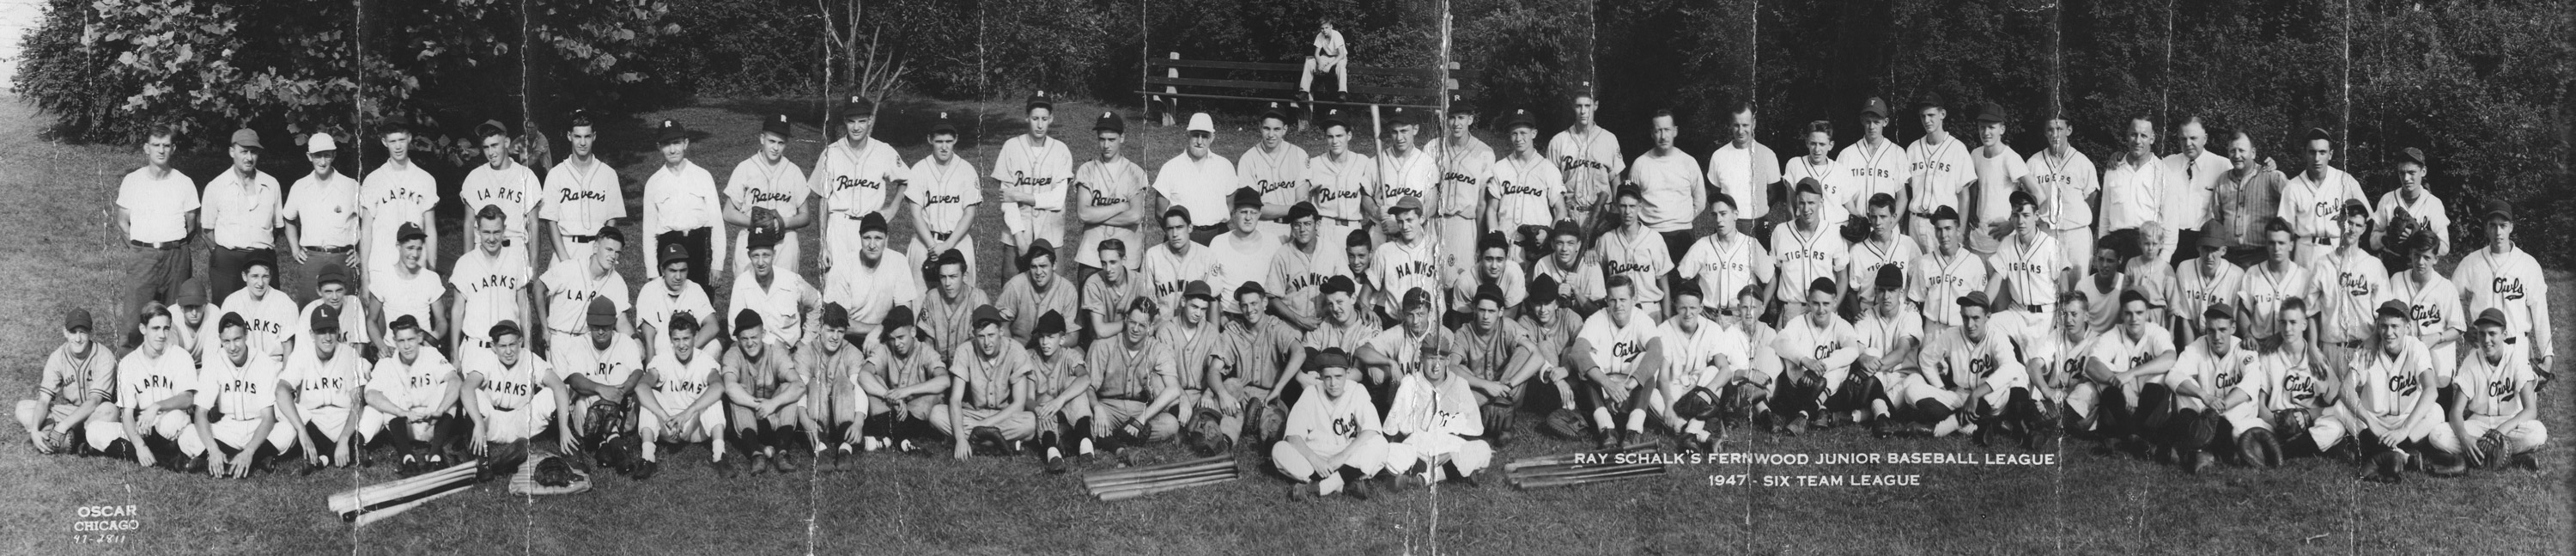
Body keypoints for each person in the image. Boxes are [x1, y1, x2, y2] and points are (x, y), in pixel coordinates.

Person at [2315, 302, 2447, 482]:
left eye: (2395, 326)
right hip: (2374, 422)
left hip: (2405, 421)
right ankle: (2403, 456)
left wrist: (2405, 429)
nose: (2388, 332)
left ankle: (2382, 451)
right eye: (2384, 326)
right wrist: (2371, 422)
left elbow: (2431, 390)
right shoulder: (2368, 351)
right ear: (2378, 328)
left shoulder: (2416, 348)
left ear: (2407, 328)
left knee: (2436, 411)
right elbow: (2345, 390)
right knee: (2340, 407)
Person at [2449, 201, 2554, 379]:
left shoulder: (2528, 264)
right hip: (2482, 347)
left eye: (2503, 226)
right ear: (2486, 228)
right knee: (2479, 404)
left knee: (2520, 405)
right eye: (2493, 226)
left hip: (2517, 347)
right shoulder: (2471, 262)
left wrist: (2547, 356)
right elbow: (2449, 297)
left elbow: (2540, 313)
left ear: (2511, 227)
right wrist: (2463, 329)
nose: (2498, 232)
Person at [118, 125, 201, 347]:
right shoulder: (132, 181)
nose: (161, 150)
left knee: (175, 314)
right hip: (142, 257)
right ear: (147, 148)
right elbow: (122, 223)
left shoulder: (184, 182)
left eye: (166, 145)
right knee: (136, 317)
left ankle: (174, 370)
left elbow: (191, 225)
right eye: (156, 145)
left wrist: (173, 246)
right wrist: (141, 249)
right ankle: (129, 372)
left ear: (173, 148)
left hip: (176, 257)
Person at [1274, 349, 1394, 500]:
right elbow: (1292, 435)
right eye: (1328, 377)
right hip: (1317, 455)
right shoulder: (1311, 392)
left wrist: (1342, 457)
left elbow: (1372, 430)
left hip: (1348, 456)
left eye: (1338, 377)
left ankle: (1319, 487)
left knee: (1380, 444)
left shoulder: (1357, 390)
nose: (1333, 383)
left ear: (1347, 373)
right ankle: (1345, 484)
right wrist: (1315, 460)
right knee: (1280, 450)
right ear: (1320, 376)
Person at [2155, 305, 2262, 473]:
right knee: (2184, 389)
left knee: (2243, 407)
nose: (2216, 337)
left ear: (2233, 328)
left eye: (2222, 330)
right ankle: (2211, 448)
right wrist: (2203, 395)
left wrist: (2219, 408)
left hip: (2230, 413)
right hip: (2205, 412)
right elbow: (2173, 376)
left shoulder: (2243, 349)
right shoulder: (2198, 346)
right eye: (2211, 330)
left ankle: (2193, 447)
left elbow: (2252, 383)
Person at [187, 314, 294, 478]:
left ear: (246, 335)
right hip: (228, 427)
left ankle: (238, 460)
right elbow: (200, 413)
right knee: (188, 435)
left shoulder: (263, 361)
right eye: (226, 341)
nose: (232, 347)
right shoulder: (214, 363)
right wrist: (212, 448)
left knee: (288, 430)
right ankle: (258, 459)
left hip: (257, 426)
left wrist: (249, 450)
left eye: (237, 339)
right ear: (220, 340)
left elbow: (268, 418)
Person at [2439, 309, 2547, 471]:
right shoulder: (2471, 361)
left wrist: (2501, 431)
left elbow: (2530, 410)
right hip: (2479, 423)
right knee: (2438, 434)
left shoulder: (2517, 358)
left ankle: (2475, 457)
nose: (2486, 340)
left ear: (2504, 335)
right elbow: (2455, 412)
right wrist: (2464, 439)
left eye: (2492, 334)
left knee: (2537, 433)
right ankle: (2512, 457)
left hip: (2509, 422)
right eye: (2482, 334)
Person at [1382, 334, 1495, 487]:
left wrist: (1453, 454)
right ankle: (1451, 473)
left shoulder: (1459, 384)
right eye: (1431, 358)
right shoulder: (1409, 383)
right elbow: (1392, 429)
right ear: (1421, 358)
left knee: (1483, 449)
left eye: (1441, 359)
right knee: (1387, 452)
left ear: (1448, 360)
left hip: (1450, 447)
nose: (1436, 365)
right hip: (1417, 447)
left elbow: (1473, 431)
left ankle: (1422, 478)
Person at [1567, 276, 1667, 449]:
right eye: (1612, 300)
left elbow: (1656, 352)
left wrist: (1626, 389)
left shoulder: (1643, 320)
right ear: (1607, 300)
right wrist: (1607, 384)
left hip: (1635, 387)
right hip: (1603, 388)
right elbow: (1577, 353)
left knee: (1647, 361)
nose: (1618, 305)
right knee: (1588, 360)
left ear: (1634, 300)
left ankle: (1633, 429)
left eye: (1623, 299)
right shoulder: (1597, 319)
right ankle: (1606, 428)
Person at [2077, 290, 2178, 457]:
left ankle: (2126, 435)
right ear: (2122, 314)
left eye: (2139, 313)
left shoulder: (2157, 332)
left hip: (2150, 409)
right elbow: (2091, 365)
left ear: (2147, 313)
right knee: (2106, 375)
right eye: (2128, 313)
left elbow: (2170, 358)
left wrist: (2131, 374)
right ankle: (2136, 438)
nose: (2134, 318)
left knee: (2162, 374)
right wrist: (2121, 382)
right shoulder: (2113, 335)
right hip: (2121, 407)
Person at [815, 96, 908, 274]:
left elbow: (907, 180)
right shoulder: (831, 153)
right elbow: (823, 201)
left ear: (870, 120)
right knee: (836, 287)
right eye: (851, 122)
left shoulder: (883, 151)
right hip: (839, 228)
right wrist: (823, 245)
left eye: (862, 121)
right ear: (845, 121)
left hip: (871, 228)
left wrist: (893, 208)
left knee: (872, 286)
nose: (856, 127)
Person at [459, 321, 562, 480]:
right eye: (502, 346)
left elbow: (559, 386)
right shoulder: (486, 357)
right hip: (492, 421)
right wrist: (479, 423)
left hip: (522, 420)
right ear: (493, 347)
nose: (508, 351)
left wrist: (565, 428)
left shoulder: (529, 358)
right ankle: (483, 462)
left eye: (512, 344)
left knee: (552, 394)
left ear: (520, 342)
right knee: (474, 396)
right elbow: (466, 388)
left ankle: (568, 447)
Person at [1648, 284, 1745, 451]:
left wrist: (1706, 392)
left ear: (1701, 307)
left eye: (1693, 307)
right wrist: (1669, 405)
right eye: (1683, 307)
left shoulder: (1712, 329)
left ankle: (1688, 432)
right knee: (1649, 392)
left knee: (1714, 371)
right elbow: (1662, 377)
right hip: (1673, 390)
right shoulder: (1663, 329)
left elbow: (1725, 369)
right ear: (1675, 305)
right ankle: (1700, 435)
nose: (1688, 313)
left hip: (1699, 390)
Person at [362, 315, 463, 476]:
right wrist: (401, 412)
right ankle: (407, 459)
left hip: (433, 422)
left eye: (411, 339)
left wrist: (440, 410)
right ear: (394, 341)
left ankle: (435, 455)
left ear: (420, 337)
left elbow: (455, 381)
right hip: (403, 425)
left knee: (447, 387)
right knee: (387, 394)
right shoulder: (387, 361)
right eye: (401, 341)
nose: (407, 346)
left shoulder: (431, 354)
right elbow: (370, 395)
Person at [936, 305, 1038, 461]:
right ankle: (998, 443)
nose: (987, 342)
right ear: (974, 334)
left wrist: (982, 427)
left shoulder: (1016, 351)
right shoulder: (965, 351)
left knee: (1030, 422)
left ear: (1001, 332)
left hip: (1004, 415)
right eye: (981, 336)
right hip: (974, 413)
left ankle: (974, 441)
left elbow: (1018, 404)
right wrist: (961, 438)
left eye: (991, 335)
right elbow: (955, 399)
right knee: (936, 414)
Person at [19, 309, 124, 456]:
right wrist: (34, 431)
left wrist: (63, 426)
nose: (78, 338)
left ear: (90, 333)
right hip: (70, 411)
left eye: (83, 332)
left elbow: (95, 401)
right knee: (22, 407)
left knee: (110, 410)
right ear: (65, 332)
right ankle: (52, 434)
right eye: (73, 332)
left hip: (95, 414)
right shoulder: (57, 357)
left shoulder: (104, 356)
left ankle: (70, 437)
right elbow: (44, 400)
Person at [552, 296, 645, 461]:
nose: (601, 332)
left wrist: (620, 392)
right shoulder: (579, 344)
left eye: (605, 327)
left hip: (622, 412)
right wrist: (603, 390)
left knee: (621, 371)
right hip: (588, 422)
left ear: (613, 324)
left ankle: (603, 442)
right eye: (596, 327)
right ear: (589, 325)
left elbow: (638, 373)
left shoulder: (624, 342)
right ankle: (613, 439)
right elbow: (575, 379)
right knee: (584, 393)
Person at [1269, 276, 1381, 410]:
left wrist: (1322, 383)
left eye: (1340, 302)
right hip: (1325, 389)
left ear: (1352, 299)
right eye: (1330, 303)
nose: (1335, 308)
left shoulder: (1368, 326)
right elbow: (1306, 357)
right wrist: (1303, 377)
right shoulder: (1324, 324)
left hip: (1354, 391)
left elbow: (1358, 373)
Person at [723, 114, 814, 277]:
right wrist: (756, 222)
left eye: (781, 143)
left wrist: (782, 222)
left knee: (785, 296)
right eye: (772, 141)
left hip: (785, 242)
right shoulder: (745, 168)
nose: (775, 148)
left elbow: (806, 216)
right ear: (762, 138)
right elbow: (728, 212)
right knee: (749, 296)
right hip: (751, 242)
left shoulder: (794, 172)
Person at [1771, 278, 1864, 435]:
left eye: (1826, 304)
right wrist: (1805, 360)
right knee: (1789, 354)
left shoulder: (1841, 325)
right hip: (1801, 387)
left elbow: (1853, 350)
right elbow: (1779, 341)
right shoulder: (1799, 322)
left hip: (1830, 389)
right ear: (1808, 302)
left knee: (1841, 363)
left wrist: (1821, 366)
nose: (1821, 309)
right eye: (1816, 303)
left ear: (1835, 302)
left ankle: (1803, 415)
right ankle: (1821, 411)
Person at [280, 304, 366, 472]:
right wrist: (302, 431)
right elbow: (281, 390)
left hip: (344, 418)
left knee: (373, 414)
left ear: (339, 331)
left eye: (332, 330)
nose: (327, 337)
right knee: (280, 406)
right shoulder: (301, 355)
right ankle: (354, 450)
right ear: (312, 334)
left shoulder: (349, 354)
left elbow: (357, 402)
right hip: (313, 420)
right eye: (321, 331)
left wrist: (343, 439)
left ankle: (324, 457)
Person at [1453, 283, 1542, 444]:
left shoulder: (1508, 326)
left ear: (1501, 312)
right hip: (1481, 391)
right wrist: (1487, 385)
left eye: (1492, 311)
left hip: (1509, 391)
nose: (1486, 317)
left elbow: (1538, 357)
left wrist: (1507, 385)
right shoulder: (1464, 332)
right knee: (1459, 370)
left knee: (1526, 351)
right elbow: (1451, 367)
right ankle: (1502, 420)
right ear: (1474, 309)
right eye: (1482, 310)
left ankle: (1495, 410)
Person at [1086, 299, 1182, 450]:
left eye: (1142, 325)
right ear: (1125, 320)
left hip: (1141, 409)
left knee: (1170, 425)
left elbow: (1174, 389)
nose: (1135, 329)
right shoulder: (1103, 345)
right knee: (1087, 424)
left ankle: (1112, 437)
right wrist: (1097, 408)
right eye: (1132, 322)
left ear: (1150, 327)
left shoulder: (1157, 349)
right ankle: (1121, 441)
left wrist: (1142, 419)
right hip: (1109, 407)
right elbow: (1088, 386)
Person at [638, 312, 726, 475]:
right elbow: (641, 387)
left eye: (686, 338)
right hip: (670, 424)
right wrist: (664, 416)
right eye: (676, 339)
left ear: (695, 337)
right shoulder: (664, 358)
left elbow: (719, 387)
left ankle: (720, 456)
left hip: (694, 426)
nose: (682, 345)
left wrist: (687, 413)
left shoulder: (704, 360)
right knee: (650, 397)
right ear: (670, 339)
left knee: (713, 397)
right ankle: (648, 458)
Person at [721, 309, 808, 475]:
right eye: (744, 339)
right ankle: (756, 454)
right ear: (738, 340)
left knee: (788, 389)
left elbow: (799, 385)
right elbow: (730, 387)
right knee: (738, 393)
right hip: (747, 421)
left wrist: (773, 404)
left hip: (773, 420)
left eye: (754, 337)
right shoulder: (733, 354)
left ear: (763, 333)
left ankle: (782, 453)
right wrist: (760, 405)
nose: (750, 343)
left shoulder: (775, 351)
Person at [202, 128, 283, 302]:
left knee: (268, 311)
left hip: (263, 259)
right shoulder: (216, 186)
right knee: (227, 314)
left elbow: (276, 227)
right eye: (243, 151)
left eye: (253, 152)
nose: (249, 157)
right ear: (232, 152)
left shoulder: (271, 184)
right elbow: (207, 230)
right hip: (228, 262)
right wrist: (225, 251)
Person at [993, 93, 1073, 269]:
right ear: (1026, 117)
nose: (1039, 124)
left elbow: (1057, 200)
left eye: (1044, 118)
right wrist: (1019, 239)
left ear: (1051, 118)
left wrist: (1019, 195)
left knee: (1053, 294)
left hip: (1051, 236)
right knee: (1013, 293)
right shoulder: (1011, 147)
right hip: (1015, 238)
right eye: (1035, 118)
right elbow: (1007, 200)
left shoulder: (1061, 150)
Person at [643, 119, 727, 286]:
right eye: (667, 144)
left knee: (702, 303)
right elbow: (649, 233)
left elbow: (717, 223)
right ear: (659, 147)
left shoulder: (703, 176)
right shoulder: (654, 183)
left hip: (699, 247)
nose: (673, 149)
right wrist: (652, 272)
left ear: (686, 143)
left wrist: (717, 264)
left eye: (677, 143)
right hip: (668, 248)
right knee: (670, 305)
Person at [2311, 201, 2392, 373]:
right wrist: (2312, 346)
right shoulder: (2322, 264)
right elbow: (2311, 312)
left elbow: (2384, 312)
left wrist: (2374, 339)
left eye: (2358, 225)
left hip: (2364, 349)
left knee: (2364, 399)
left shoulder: (2374, 265)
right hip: (2330, 349)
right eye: (2349, 222)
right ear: (2340, 222)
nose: (2352, 229)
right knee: (2330, 399)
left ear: (2364, 229)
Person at [448, 207, 535, 364]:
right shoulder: (465, 263)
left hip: (508, 351)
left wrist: (528, 346)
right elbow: (458, 311)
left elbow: (523, 305)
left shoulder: (516, 259)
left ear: (504, 231)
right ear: (478, 231)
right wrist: (454, 354)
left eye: (497, 232)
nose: (492, 238)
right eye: (486, 232)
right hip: (476, 349)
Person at [540, 110, 627, 267]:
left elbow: (612, 219)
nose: (582, 143)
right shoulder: (556, 174)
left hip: (597, 248)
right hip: (566, 247)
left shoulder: (608, 174)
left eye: (587, 136)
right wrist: (565, 260)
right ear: (569, 136)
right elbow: (550, 221)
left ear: (594, 136)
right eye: (577, 136)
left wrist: (603, 251)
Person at [283, 132, 363, 299]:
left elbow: (369, 221)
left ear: (334, 155)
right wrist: (295, 249)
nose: (322, 161)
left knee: (345, 310)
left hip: (343, 258)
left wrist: (360, 252)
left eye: (327, 155)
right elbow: (288, 218)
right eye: (317, 156)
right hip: (312, 259)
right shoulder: (300, 186)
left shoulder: (350, 185)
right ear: (309, 157)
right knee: (309, 310)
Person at [1354, 288, 1458, 416]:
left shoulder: (1444, 334)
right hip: (1404, 399)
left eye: (1420, 314)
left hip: (1434, 398)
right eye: (1410, 315)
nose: (1415, 321)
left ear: (1430, 312)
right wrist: (1391, 363)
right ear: (1403, 314)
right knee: (1375, 371)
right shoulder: (1398, 332)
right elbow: (1361, 351)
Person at [860, 307, 951, 453]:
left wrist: (905, 391)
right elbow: (863, 375)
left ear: (913, 332)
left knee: (933, 394)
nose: (896, 344)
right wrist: (889, 396)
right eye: (892, 338)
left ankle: (889, 439)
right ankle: (901, 441)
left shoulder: (925, 351)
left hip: (915, 414)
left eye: (901, 337)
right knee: (873, 380)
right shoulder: (884, 349)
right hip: (891, 410)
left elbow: (945, 380)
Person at [361, 119, 440, 288]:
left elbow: (430, 229)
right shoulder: (373, 180)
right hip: (381, 265)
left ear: (409, 138)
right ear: (384, 142)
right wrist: (365, 274)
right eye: (392, 141)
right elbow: (366, 230)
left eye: (401, 140)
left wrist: (432, 269)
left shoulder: (425, 179)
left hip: (416, 265)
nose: (398, 147)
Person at [1159, 282, 1237, 450]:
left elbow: (1215, 370)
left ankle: (1196, 428)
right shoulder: (1166, 330)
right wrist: (1182, 399)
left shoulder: (1211, 331)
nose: (1198, 314)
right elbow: (1167, 375)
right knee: (1156, 383)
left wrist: (1209, 394)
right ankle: (1196, 428)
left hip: (1201, 396)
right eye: (1194, 307)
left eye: (1203, 309)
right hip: (1174, 395)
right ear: (1183, 303)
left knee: (1232, 387)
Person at [534, 226, 633, 357]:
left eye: (617, 252)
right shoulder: (570, 268)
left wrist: (635, 340)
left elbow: (622, 321)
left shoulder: (617, 282)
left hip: (586, 344)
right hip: (558, 339)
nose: (613, 256)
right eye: (609, 249)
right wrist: (544, 328)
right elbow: (538, 288)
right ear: (596, 248)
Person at [1218, 283, 1303, 437]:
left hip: (1268, 396)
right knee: (1229, 426)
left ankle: (1266, 443)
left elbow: (1300, 353)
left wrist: (1278, 389)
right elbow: (1214, 369)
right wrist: (1222, 395)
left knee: (1272, 427)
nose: (1249, 310)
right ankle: (1227, 441)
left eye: (1253, 303)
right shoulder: (1234, 331)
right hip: (1242, 395)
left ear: (1264, 303)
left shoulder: (1275, 326)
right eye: (1244, 305)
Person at [1072, 110, 1148, 279]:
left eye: (1111, 139)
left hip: (1127, 258)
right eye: (1102, 139)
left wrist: (1097, 215)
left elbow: (1135, 216)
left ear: (1122, 138)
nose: (1106, 145)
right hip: (1092, 257)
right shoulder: (1087, 170)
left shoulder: (1135, 172)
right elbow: (1083, 214)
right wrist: (1120, 207)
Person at [2279, 128, 2370, 268]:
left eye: (2322, 152)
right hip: (2305, 252)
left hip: (2337, 248)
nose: (2317, 158)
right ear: (2305, 153)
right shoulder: (2293, 187)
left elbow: (2367, 217)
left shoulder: (2345, 180)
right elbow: (2284, 231)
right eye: (2312, 152)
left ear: (2330, 154)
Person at [819, 212, 920, 337]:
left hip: (885, 338)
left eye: (878, 238)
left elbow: (905, 317)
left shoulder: (899, 261)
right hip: (850, 339)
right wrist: (879, 329)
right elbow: (838, 323)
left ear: (887, 238)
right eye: (867, 238)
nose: (872, 245)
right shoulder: (843, 264)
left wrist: (879, 333)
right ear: (860, 237)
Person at [907, 115, 985, 276]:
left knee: (963, 296)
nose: (944, 147)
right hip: (924, 242)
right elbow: (915, 215)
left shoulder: (967, 170)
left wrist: (948, 245)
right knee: (919, 297)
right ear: (930, 140)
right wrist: (932, 247)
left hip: (958, 241)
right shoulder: (919, 169)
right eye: (939, 141)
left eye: (948, 141)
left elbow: (970, 214)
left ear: (955, 140)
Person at [1853, 266, 1926, 433]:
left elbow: (1900, 353)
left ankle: (1858, 416)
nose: (1886, 296)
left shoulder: (1910, 315)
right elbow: (1857, 349)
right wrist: (1863, 359)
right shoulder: (1867, 315)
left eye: (1892, 290)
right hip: (1877, 377)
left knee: (1915, 384)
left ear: (1901, 291)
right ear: (1875, 291)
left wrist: (1866, 367)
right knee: (1870, 353)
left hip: (1903, 377)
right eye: (1882, 290)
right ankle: (1883, 417)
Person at [727, 228, 820, 354]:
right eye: (755, 256)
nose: (761, 262)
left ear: (774, 254)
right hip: (755, 354)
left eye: (766, 255)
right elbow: (734, 330)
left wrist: (806, 342)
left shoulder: (792, 281)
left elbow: (817, 302)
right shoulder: (741, 284)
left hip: (791, 353)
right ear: (749, 256)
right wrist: (774, 344)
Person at [2027, 118, 2099, 278]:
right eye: (2050, 130)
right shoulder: (2034, 163)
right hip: (2047, 231)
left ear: (2069, 130)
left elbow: (2092, 198)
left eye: (2059, 129)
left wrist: (2078, 220)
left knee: (2078, 286)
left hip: (2076, 234)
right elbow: (2029, 199)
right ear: (2045, 132)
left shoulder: (2082, 162)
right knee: (2046, 284)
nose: (2055, 134)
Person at [1769, 180, 1852, 318]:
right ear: (1796, 203)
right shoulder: (1781, 232)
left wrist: (1832, 307)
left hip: (1823, 309)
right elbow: (1775, 274)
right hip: (1792, 309)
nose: (1806, 209)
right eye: (1802, 203)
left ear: (1821, 202)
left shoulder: (1834, 232)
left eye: (1811, 203)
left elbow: (1843, 277)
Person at [803, 303, 871, 473]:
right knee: (815, 383)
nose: (835, 337)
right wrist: (805, 421)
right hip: (817, 421)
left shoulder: (853, 352)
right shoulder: (806, 351)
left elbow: (859, 388)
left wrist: (858, 422)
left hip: (843, 418)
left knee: (843, 381)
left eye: (840, 332)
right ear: (820, 329)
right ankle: (821, 447)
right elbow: (798, 389)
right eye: (830, 330)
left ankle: (845, 448)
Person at [1629, 110, 1705, 260]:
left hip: (1683, 234)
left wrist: (1684, 218)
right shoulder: (1640, 164)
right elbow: (1630, 202)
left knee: (1684, 282)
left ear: (1675, 131)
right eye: (1658, 131)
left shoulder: (1688, 162)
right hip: (1650, 234)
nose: (1663, 136)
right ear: (1652, 133)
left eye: (1667, 130)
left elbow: (1700, 201)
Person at [1904, 94, 1975, 254]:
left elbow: (1964, 196)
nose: (1927, 120)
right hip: (1915, 221)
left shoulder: (1957, 149)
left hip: (1942, 224)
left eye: (1931, 115)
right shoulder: (1913, 149)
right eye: (1923, 116)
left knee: (1942, 272)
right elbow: (1908, 192)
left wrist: (1961, 232)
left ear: (1942, 114)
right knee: (1916, 274)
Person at [1488, 109, 1565, 257]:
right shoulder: (1500, 167)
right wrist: (1495, 240)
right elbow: (1491, 209)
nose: (1518, 138)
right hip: (1506, 247)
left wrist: (1549, 235)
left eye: (1523, 133)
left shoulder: (1548, 168)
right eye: (1514, 133)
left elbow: (1561, 210)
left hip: (1536, 249)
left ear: (1534, 134)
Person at [1425, 104, 1494, 271]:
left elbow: (1482, 204)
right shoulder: (1432, 148)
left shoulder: (1485, 152)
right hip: (1438, 222)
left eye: (1461, 118)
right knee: (1434, 275)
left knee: (1463, 276)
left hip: (1466, 223)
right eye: (1452, 117)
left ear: (1470, 119)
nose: (1456, 123)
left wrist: (1479, 240)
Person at [462, 120, 539, 267]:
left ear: (506, 142)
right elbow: (468, 223)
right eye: (486, 147)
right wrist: (467, 264)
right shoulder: (475, 177)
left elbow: (534, 224)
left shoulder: (525, 176)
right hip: (483, 253)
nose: (491, 153)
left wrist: (534, 268)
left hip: (514, 252)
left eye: (495, 145)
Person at [1024, 311, 1094, 472]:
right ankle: (1052, 454)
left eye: (1050, 337)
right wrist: (1039, 408)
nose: (1044, 342)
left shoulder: (1070, 355)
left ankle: (1086, 446)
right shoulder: (1030, 357)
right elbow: (1027, 399)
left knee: (1073, 382)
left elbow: (1085, 379)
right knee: (1043, 401)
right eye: (1041, 337)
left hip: (1070, 415)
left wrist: (1060, 400)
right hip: (1046, 416)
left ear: (1062, 339)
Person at [1548, 88, 1625, 234]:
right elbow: (1551, 186)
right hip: (1568, 214)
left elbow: (1615, 183)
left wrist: (1615, 215)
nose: (1583, 111)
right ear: (1573, 106)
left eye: (1587, 105)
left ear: (1595, 105)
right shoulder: (1558, 141)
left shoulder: (1609, 139)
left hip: (1602, 217)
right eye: (1579, 106)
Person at [1989, 192, 2068, 332]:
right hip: (2017, 313)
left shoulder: (2051, 245)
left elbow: (2064, 290)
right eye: (2015, 216)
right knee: (1986, 326)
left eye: (2026, 215)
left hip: (2047, 315)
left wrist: (2061, 322)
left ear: (2037, 216)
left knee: (2039, 354)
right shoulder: (2007, 244)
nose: (2020, 221)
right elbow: (1995, 282)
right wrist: (1982, 309)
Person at [1961, 102, 2032, 255]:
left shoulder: (2010, 158)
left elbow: (2037, 194)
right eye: (1982, 127)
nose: (1986, 132)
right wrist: (1972, 209)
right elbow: (1974, 184)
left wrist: (2012, 223)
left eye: (1991, 127)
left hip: (2004, 243)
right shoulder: (1975, 154)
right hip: (1978, 240)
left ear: (2002, 129)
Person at [1151, 113, 1236, 242]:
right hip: (1183, 238)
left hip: (1217, 237)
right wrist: (1177, 235)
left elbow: (1230, 205)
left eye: (1205, 136)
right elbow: (1160, 213)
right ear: (1188, 135)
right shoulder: (1171, 167)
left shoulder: (1224, 166)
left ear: (1212, 138)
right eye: (1196, 135)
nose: (1200, 141)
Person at [1267, 203, 1350, 333]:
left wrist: (1363, 307)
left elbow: (1348, 287)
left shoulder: (1331, 250)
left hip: (1327, 324)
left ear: (1317, 225)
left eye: (1307, 224)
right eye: (1297, 224)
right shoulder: (1282, 255)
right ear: (1292, 227)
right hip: (1291, 325)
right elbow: (1272, 299)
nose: (1302, 229)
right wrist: (1300, 320)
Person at [2390, 237, 2463, 380]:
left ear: (2436, 259)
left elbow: (2459, 328)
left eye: (2426, 257)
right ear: (2411, 253)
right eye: (2417, 255)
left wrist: (2438, 337)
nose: (2420, 262)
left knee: (2439, 397)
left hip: (2438, 363)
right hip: (2403, 361)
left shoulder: (2446, 287)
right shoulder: (2397, 280)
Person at [2210, 131, 2287, 265]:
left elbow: (2294, 208)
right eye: (2232, 151)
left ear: (2253, 153)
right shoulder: (2222, 180)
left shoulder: (2271, 177)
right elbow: (2217, 220)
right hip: (2229, 259)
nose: (2237, 155)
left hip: (2262, 258)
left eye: (2242, 150)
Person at [369, 223, 448, 354]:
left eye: (419, 249)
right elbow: (371, 320)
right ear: (398, 247)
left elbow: (441, 321)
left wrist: (435, 335)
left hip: (423, 349)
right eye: (410, 248)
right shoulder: (383, 277)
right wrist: (381, 345)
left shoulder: (431, 278)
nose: (415, 254)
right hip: (394, 351)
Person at [1597, 186, 1674, 319]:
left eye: (1632, 206)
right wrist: (1591, 252)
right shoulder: (1607, 240)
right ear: (1616, 207)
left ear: (1640, 207)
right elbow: (1599, 277)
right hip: (1619, 310)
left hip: (1650, 309)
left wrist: (1667, 322)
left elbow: (1664, 287)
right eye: (1623, 206)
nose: (1628, 211)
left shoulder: (1654, 238)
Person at [635, 242, 720, 362]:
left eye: (683, 270)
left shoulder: (694, 289)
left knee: (714, 345)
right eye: (673, 270)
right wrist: (652, 370)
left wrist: (686, 349)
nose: (678, 277)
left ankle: (696, 379)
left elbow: (712, 325)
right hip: (661, 353)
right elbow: (649, 338)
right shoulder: (650, 289)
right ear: (662, 270)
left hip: (686, 350)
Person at [2098, 117, 2168, 261]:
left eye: (2143, 136)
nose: (2137, 140)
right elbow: (2105, 216)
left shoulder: (2162, 172)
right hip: (2117, 245)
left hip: (2147, 246)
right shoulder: (2113, 170)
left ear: (2152, 138)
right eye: (2133, 134)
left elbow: (2169, 223)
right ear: (2127, 135)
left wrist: (2164, 259)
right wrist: (2104, 250)